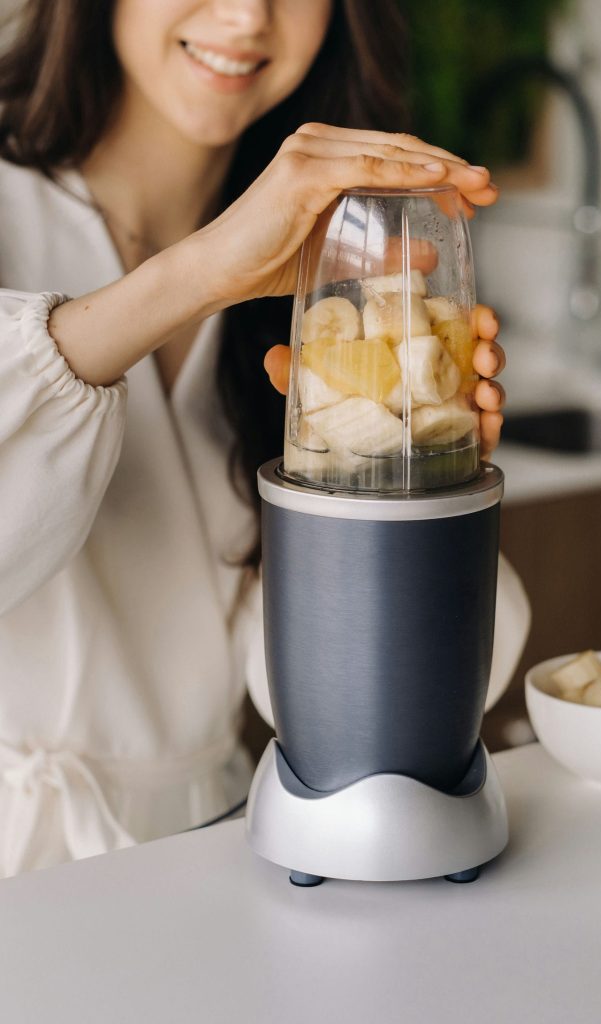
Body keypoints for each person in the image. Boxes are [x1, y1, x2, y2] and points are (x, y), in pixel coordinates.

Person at [0, 0, 529, 878]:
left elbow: (333, 697)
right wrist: (202, 275)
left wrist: (403, 491)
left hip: (202, 861)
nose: (247, 15)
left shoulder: (328, 263)